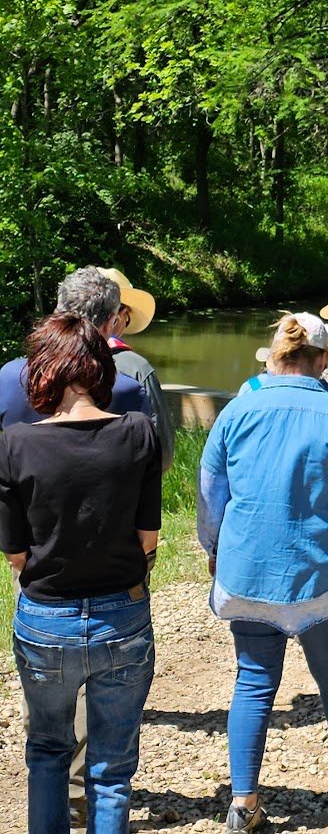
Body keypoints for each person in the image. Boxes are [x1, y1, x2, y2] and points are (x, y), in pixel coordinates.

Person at [198, 312, 328, 831]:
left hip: (247, 573)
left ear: (274, 356)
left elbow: (211, 492)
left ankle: (244, 802)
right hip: (319, 575)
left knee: (254, 681)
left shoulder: (236, 411)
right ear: (323, 360)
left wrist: (212, 548)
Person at [0, 312, 161, 834]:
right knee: (112, 767)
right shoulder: (138, 432)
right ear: (100, 368)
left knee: (47, 750)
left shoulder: (16, 444)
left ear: (41, 373)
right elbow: (148, 539)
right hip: (123, 614)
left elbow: (16, 556)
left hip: (47, 617)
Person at [0, 267, 147, 429]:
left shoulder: (9, 377)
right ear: (110, 323)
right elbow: (155, 449)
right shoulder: (127, 390)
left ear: (57, 312)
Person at [95, 267, 176, 473]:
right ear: (117, 316)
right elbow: (162, 452)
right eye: (127, 319)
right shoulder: (136, 368)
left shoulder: (32, 368)